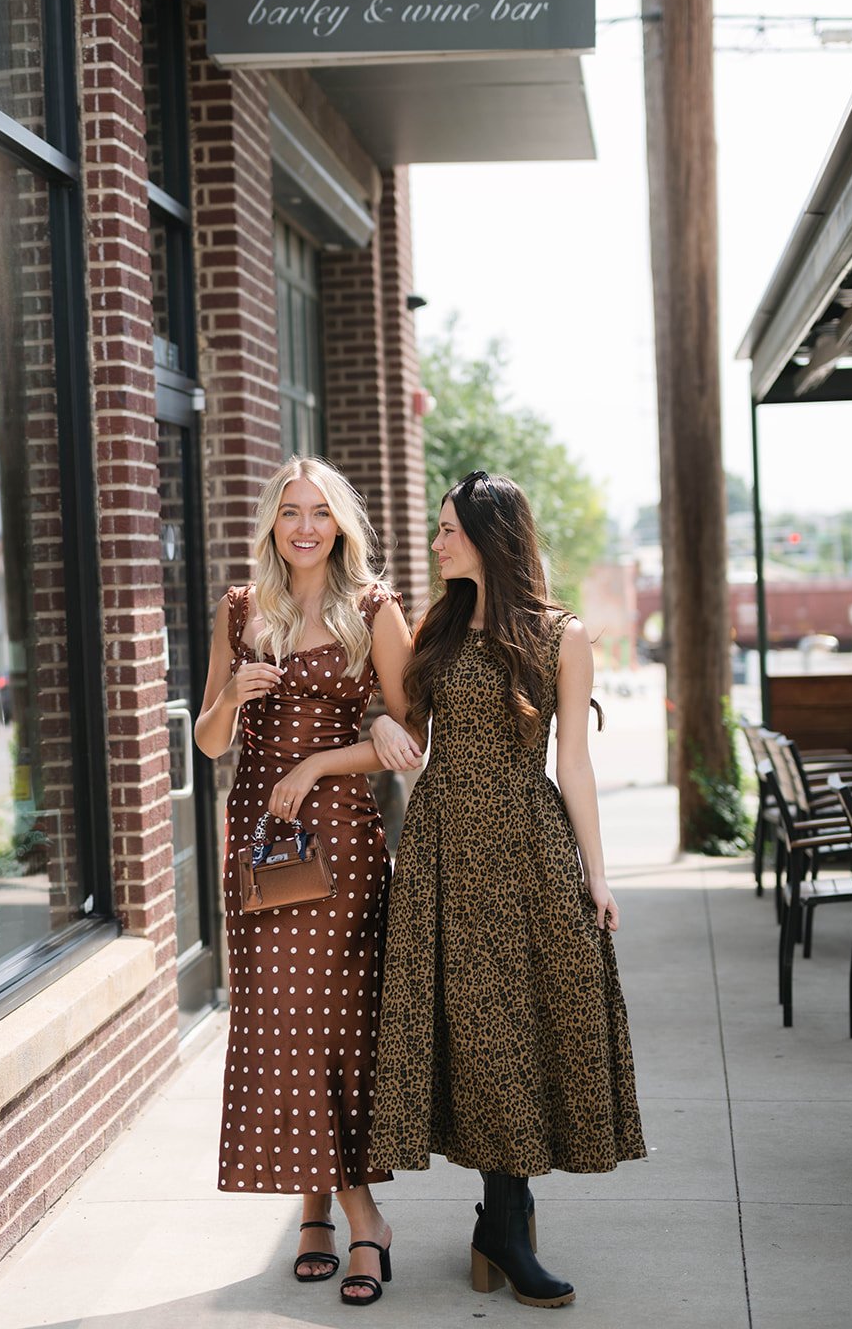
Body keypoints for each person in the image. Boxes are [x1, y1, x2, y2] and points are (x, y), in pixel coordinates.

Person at [367, 470, 645, 1309]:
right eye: (437, 528)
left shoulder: (561, 637)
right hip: (445, 849)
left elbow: (575, 762)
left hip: (528, 849)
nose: (437, 541)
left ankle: (502, 1221)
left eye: (448, 528)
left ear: (491, 536)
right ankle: (506, 1221)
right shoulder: (439, 630)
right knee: (476, 1031)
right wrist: (378, 721)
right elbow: (400, 727)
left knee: (524, 1027)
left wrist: (596, 876)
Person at [195, 455, 419, 1306]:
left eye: (317, 512)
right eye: (288, 511)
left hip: (341, 843)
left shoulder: (373, 609)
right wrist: (235, 694)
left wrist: (323, 759)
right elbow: (211, 743)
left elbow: (406, 738)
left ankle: (352, 1218)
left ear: (339, 526)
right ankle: (327, 1215)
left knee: (335, 1026)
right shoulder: (242, 611)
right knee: (282, 1026)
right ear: (271, 524)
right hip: (260, 843)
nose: (302, 526)